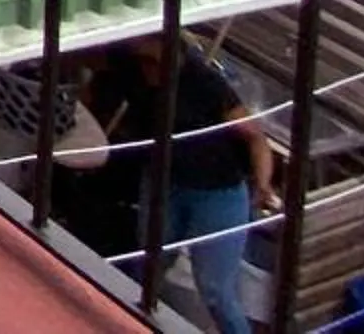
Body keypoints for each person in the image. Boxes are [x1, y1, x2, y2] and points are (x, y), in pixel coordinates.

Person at [89, 32, 279, 334]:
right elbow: (88, 63)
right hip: (165, 183)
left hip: (218, 193)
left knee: (216, 291)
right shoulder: (126, 63)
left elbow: (255, 138)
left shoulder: (205, 84)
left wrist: (263, 184)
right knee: (148, 265)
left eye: (152, 57)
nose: (149, 70)